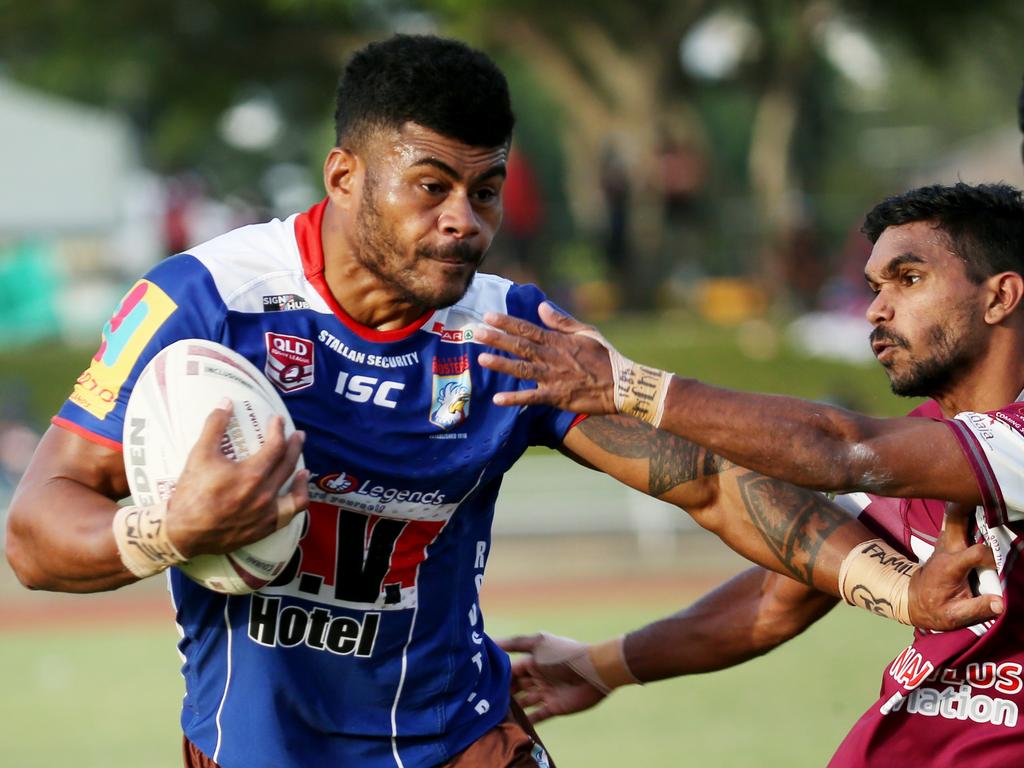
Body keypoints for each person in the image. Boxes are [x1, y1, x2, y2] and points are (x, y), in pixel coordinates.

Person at [3, 36, 992, 768]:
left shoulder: (508, 333)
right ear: (344, 177)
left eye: (485, 191)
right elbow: (36, 534)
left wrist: (897, 589)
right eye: (429, 187)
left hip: (466, 747)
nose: (463, 222)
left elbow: (711, 487)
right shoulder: (205, 301)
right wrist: (166, 529)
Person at [475, 181, 1024, 765]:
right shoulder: (930, 446)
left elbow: (840, 449)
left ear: (1000, 297)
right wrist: (600, 665)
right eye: (874, 286)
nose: (875, 309)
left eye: (908, 279)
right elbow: (778, 597)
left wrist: (628, 386)